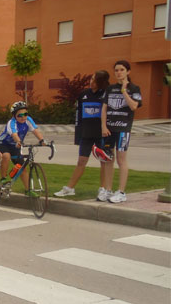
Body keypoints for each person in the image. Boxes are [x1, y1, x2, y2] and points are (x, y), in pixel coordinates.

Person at [54, 71, 111, 198]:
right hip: (86, 134)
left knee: (103, 162)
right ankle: (70, 188)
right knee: (81, 161)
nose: (91, 82)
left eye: (95, 80)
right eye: (91, 78)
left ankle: (102, 188)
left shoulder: (106, 95)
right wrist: (78, 134)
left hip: (101, 134)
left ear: (101, 82)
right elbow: (78, 116)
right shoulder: (83, 94)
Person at [100, 60, 142, 203]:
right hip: (109, 129)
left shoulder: (134, 89)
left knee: (121, 159)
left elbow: (134, 106)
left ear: (128, 71)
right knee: (108, 159)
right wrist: (103, 127)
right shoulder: (110, 89)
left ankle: (121, 192)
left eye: (122, 70)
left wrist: (124, 90)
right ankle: (108, 189)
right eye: (116, 70)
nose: (119, 72)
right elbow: (104, 109)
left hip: (123, 129)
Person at [0, 101, 46, 194]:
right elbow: (14, 134)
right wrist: (19, 141)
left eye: (25, 114)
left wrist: (42, 140)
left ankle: (28, 190)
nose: (23, 117)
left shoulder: (28, 120)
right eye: (20, 115)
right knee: (6, 156)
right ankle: (3, 178)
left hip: (16, 145)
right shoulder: (11, 123)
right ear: (14, 115)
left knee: (22, 167)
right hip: (3, 143)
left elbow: (35, 131)